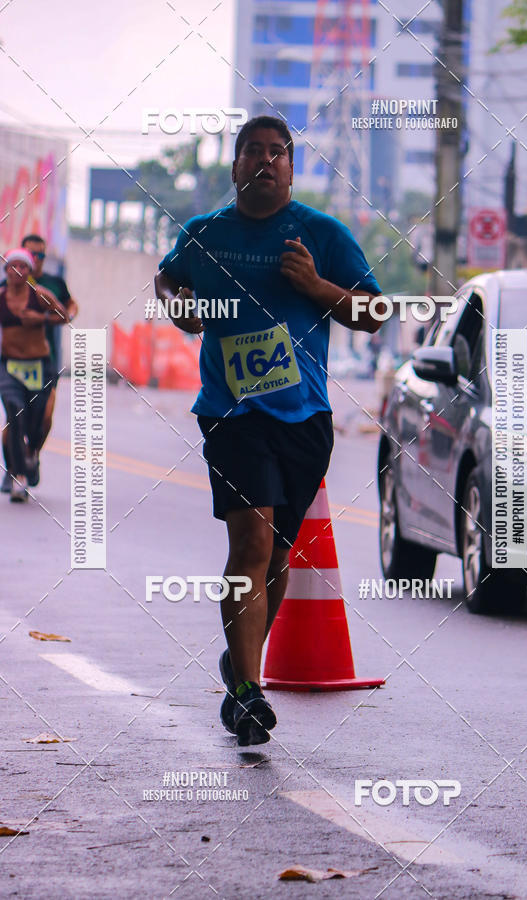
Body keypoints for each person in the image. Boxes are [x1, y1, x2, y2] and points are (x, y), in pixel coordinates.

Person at [155, 115, 382, 746]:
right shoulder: (205, 233)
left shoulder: (322, 234)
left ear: (291, 168)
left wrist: (315, 286)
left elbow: (374, 314)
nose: (264, 160)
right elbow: (167, 275)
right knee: (251, 543)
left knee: (278, 555)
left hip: (305, 417)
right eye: (251, 151)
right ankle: (248, 695)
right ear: (235, 167)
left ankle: (240, 661)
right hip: (231, 414)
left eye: (276, 152)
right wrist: (178, 306)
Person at [1, 234, 77, 492]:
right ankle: (16, 472)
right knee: (14, 412)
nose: (19, 270)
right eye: (14, 265)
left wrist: (41, 319)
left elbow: (67, 312)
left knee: (40, 419)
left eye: (39, 256)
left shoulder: (46, 290)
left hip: (42, 364)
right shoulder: (3, 292)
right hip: (10, 365)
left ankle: (31, 454)